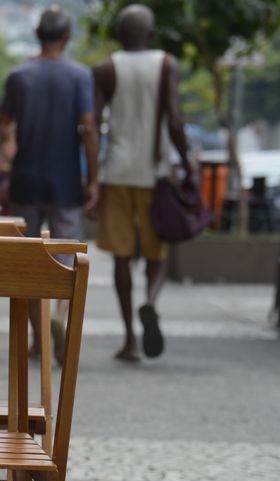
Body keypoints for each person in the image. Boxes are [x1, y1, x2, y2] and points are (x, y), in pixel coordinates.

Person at [0, 5, 99, 364]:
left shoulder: (19, 76)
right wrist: (94, 179)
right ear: (67, 37)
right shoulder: (79, 76)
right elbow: (88, 128)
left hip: (25, 180)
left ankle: (40, 338)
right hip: (66, 182)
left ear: (37, 36)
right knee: (66, 261)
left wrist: (7, 147)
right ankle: (57, 320)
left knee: (28, 263)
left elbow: (5, 127)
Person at [92, 4, 194, 362]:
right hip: (156, 173)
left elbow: (91, 123)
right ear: (151, 34)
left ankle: (130, 340)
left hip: (117, 172)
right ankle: (149, 302)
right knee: (157, 252)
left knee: (121, 255)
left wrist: (91, 175)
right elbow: (175, 119)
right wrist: (188, 162)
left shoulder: (106, 68)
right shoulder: (166, 65)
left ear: (120, 35)